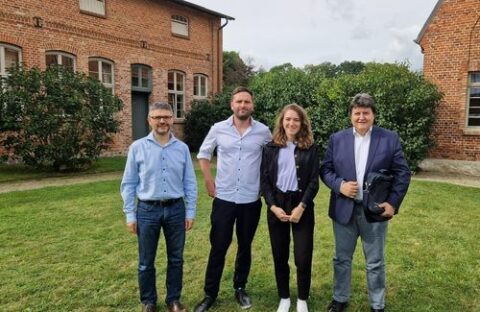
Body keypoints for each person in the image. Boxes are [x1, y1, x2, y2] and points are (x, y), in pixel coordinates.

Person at [320, 93, 411, 312]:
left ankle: (377, 304)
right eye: (357, 113)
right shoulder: (337, 139)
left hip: (375, 210)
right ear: (351, 115)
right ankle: (340, 298)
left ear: (374, 115)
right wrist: (339, 185)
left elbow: (403, 173)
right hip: (344, 209)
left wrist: (393, 203)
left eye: (366, 113)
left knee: (375, 261)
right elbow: (325, 169)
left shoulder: (389, 138)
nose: (361, 117)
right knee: (341, 258)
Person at [194, 86, 271, 312]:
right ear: (232, 105)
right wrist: (209, 181)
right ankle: (210, 294)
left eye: (246, 102)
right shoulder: (218, 129)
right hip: (224, 198)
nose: (242, 106)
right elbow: (203, 154)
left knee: (244, 246)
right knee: (218, 246)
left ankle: (240, 287)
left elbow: (272, 160)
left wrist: (266, 188)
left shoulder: (263, 132)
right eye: (239, 102)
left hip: (250, 199)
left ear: (252, 105)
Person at [120, 102, 197, 312]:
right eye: (157, 117)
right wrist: (130, 214)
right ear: (149, 120)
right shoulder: (137, 148)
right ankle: (149, 302)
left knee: (176, 258)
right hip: (146, 210)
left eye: (166, 117)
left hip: (176, 209)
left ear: (172, 119)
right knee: (146, 261)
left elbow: (189, 181)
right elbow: (129, 183)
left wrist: (190, 211)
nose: (162, 121)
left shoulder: (182, 149)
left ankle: (173, 300)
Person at [260, 104, 319, 312]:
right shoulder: (270, 147)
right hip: (277, 205)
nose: (291, 123)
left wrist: (302, 206)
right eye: (287, 119)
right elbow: (264, 180)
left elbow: (313, 181)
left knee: (303, 256)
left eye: (296, 119)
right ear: (282, 122)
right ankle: (284, 297)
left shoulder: (310, 147)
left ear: (302, 123)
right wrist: (273, 206)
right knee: (279, 254)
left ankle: (302, 298)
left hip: (301, 205)